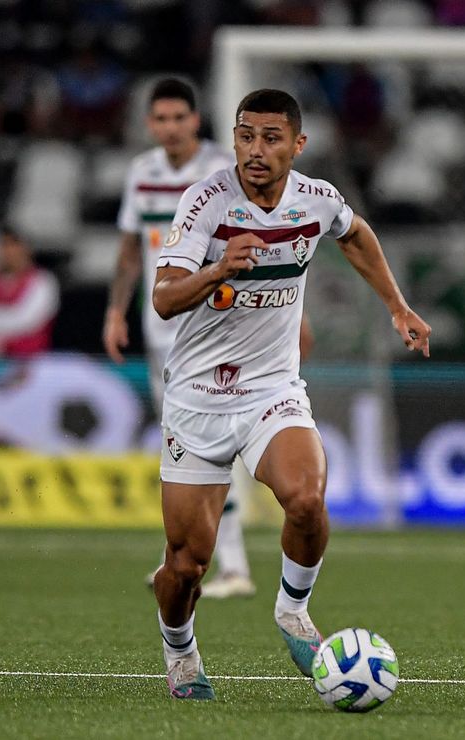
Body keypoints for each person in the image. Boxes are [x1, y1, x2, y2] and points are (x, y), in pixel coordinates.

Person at [149, 89, 430, 699]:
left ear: (297, 145)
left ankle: (292, 609)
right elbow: (165, 298)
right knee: (186, 564)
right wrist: (219, 269)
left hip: (271, 389)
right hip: (197, 398)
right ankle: (181, 652)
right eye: (246, 136)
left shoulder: (316, 198)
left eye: (271, 138)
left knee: (305, 498)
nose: (255, 150)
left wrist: (398, 307)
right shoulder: (206, 204)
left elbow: (354, 235)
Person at [104, 78, 260, 600]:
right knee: (178, 450)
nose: (170, 128)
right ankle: (182, 555)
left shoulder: (223, 171)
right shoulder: (141, 172)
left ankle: (233, 565)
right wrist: (114, 312)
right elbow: (130, 251)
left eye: (179, 118)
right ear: (149, 125)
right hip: (159, 331)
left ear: (196, 120)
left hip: (214, 331)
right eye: (160, 119)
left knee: (213, 448)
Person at [0, 226, 59, 358]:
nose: (8, 252)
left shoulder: (43, 280)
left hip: (32, 362)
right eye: (4, 246)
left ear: (26, 249)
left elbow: (30, 320)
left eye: (13, 245)